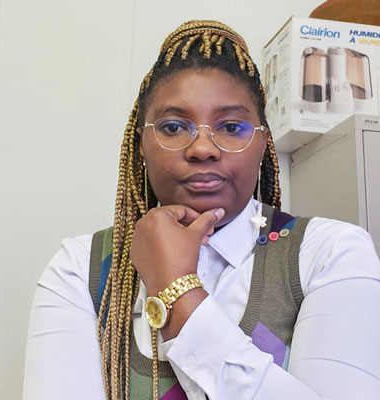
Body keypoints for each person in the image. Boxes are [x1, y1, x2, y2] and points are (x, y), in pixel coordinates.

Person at [23, 20, 380, 400]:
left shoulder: (330, 252)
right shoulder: (80, 267)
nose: (203, 148)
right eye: (173, 127)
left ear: (263, 144)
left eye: (231, 127)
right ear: (141, 144)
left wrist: (175, 290)